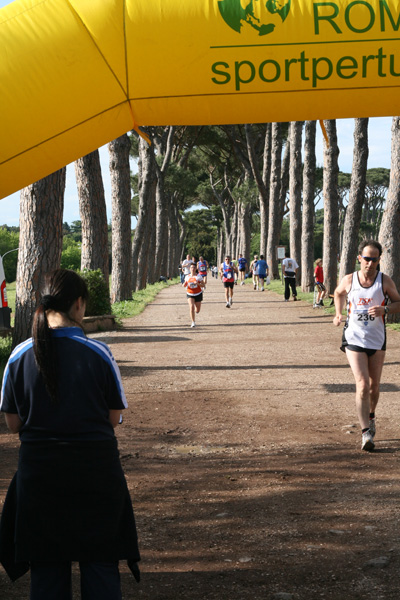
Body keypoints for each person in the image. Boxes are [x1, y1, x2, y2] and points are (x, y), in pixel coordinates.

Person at [0, 269, 140, 600]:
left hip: (40, 476)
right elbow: (112, 417)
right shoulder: (99, 353)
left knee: (48, 568)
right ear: (78, 305)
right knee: (101, 563)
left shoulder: (19, 355)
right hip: (96, 474)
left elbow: (13, 424)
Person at [333, 240, 400, 452]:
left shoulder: (384, 281)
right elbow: (338, 293)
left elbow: (399, 303)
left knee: (374, 386)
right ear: (359, 258)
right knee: (362, 384)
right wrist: (338, 313)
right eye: (366, 259)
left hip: (377, 339)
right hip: (354, 338)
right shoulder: (350, 279)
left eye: (374, 259)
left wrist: (386, 310)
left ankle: (371, 416)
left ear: (379, 260)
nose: (369, 263)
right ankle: (365, 433)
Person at [183, 262, 204, 327]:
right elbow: (185, 284)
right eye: (192, 267)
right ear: (189, 268)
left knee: (197, 310)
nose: (193, 268)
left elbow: (203, 285)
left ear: (196, 269)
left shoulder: (199, 276)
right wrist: (184, 284)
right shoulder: (187, 277)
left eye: (194, 267)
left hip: (198, 293)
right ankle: (193, 322)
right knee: (191, 307)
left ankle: (196, 311)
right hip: (190, 293)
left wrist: (197, 283)